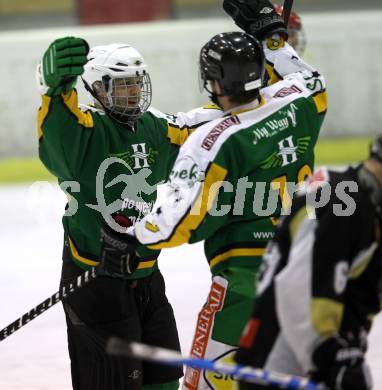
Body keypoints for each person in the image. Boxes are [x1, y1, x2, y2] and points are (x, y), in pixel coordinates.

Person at [99, 1, 328, 388]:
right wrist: (270, 34)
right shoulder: (302, 100)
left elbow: (183, 221)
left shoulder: (212, 143)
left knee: (205, 384)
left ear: (213, 81)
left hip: (245, 284)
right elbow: (306, 78)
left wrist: (132, 238)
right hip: (307, 271)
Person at [36, 37, 224, 390]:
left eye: (137, 81)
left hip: (147, 280)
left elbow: (201, 126)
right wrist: (55, 89)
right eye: (122, 84)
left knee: (166, 382)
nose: (134, 91)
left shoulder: (153, 127)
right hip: (95, 283)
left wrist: (254, 96)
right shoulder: (85, 134)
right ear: (97, 88)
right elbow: (57, 131)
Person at [234, 136, 382, 390]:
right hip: (281, 363)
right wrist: (331, 357)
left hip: (314, 360)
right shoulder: (343, 199)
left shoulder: (365, 205)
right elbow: (298, 290)